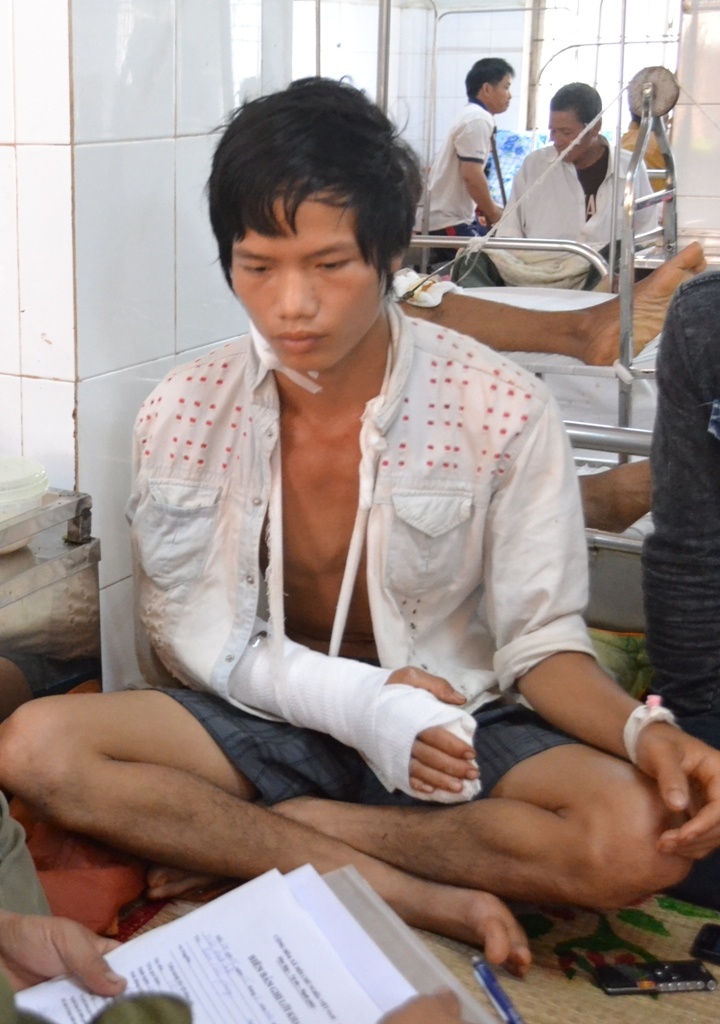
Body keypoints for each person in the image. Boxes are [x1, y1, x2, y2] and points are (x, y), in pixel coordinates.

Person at [2, 79, 720, 971]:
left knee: (640, 835)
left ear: (390, 257)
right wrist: (357, 702)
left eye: (329, 266)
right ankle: (407, 886)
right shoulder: (184, 410)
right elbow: (187, 638)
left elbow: (542, 647)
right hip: (263, 711)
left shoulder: (499, 408)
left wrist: (647, 734)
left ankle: (288, 834)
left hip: (455, 720)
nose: (291, 305)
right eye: (258, 267)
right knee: (37, 748)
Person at [456, 83, 658, 290]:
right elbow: (509, 232)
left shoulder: (629, 167)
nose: (557, 140)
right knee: (471, 258)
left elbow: (646, 234)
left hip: (596, 274)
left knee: (619, 252)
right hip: (533, 271)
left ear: (595, 128)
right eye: (553, 131)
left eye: (566, 132)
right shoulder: (534, 165)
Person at [423, 58, 514, 263]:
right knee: (489, 264)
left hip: (450, 217)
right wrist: (494, 214)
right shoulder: (477, 119)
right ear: (487, 89)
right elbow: (472, 176)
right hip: (448, 221)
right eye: (506, 87)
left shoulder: (471, 115)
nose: (509, 95)